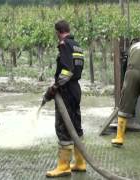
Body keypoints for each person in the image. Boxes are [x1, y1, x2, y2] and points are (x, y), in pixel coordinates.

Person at [44, 20, 86, 178]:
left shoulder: (64, 44)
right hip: (76, 89)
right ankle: (81, 162)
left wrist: (55, 87)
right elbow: (76, 69)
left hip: (66, 90)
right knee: (76, 125)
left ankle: (63, 166)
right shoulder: (77, 45)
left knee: (63, 126)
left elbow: (67, 70)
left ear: (58, 32)